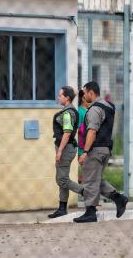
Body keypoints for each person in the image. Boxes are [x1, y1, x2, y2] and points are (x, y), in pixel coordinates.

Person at [75, 81, 128, 223]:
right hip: (106, 149)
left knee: (90, 180)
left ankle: (90, 212)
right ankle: (119, 198)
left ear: (91, 93)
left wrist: (85, 152)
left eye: (85, 93)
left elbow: (92, 131)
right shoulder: (109, 106)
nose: (84, 95)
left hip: (95, 150)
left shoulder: (94, 109)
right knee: (95, 178)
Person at [48, 86, 84, 218]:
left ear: (67, 98)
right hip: (66, 148)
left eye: (60, 95)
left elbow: (67, 132)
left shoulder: (68, 113)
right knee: (63, 178)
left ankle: (85, 192)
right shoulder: (67, 111)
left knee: (62, 179)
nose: (58, 97)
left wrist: (60, 151)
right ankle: (62, 208)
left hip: (66, 148)